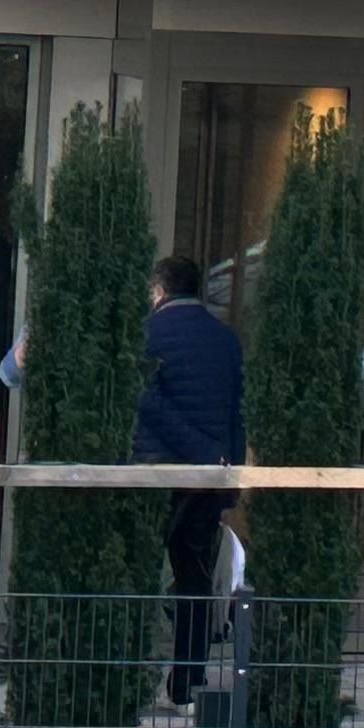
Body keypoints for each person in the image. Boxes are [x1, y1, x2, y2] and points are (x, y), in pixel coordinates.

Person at [135, 255, 244, 704]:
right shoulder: (226, 339)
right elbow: (236, 413)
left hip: (156, 473)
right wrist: (229, 470)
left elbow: (147, 403)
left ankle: (135, 678)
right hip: (210, 477)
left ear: (159, 290)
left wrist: (197, 448)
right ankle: (187, 683)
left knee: (140, 574)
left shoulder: (147, 334)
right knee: (195, 579)